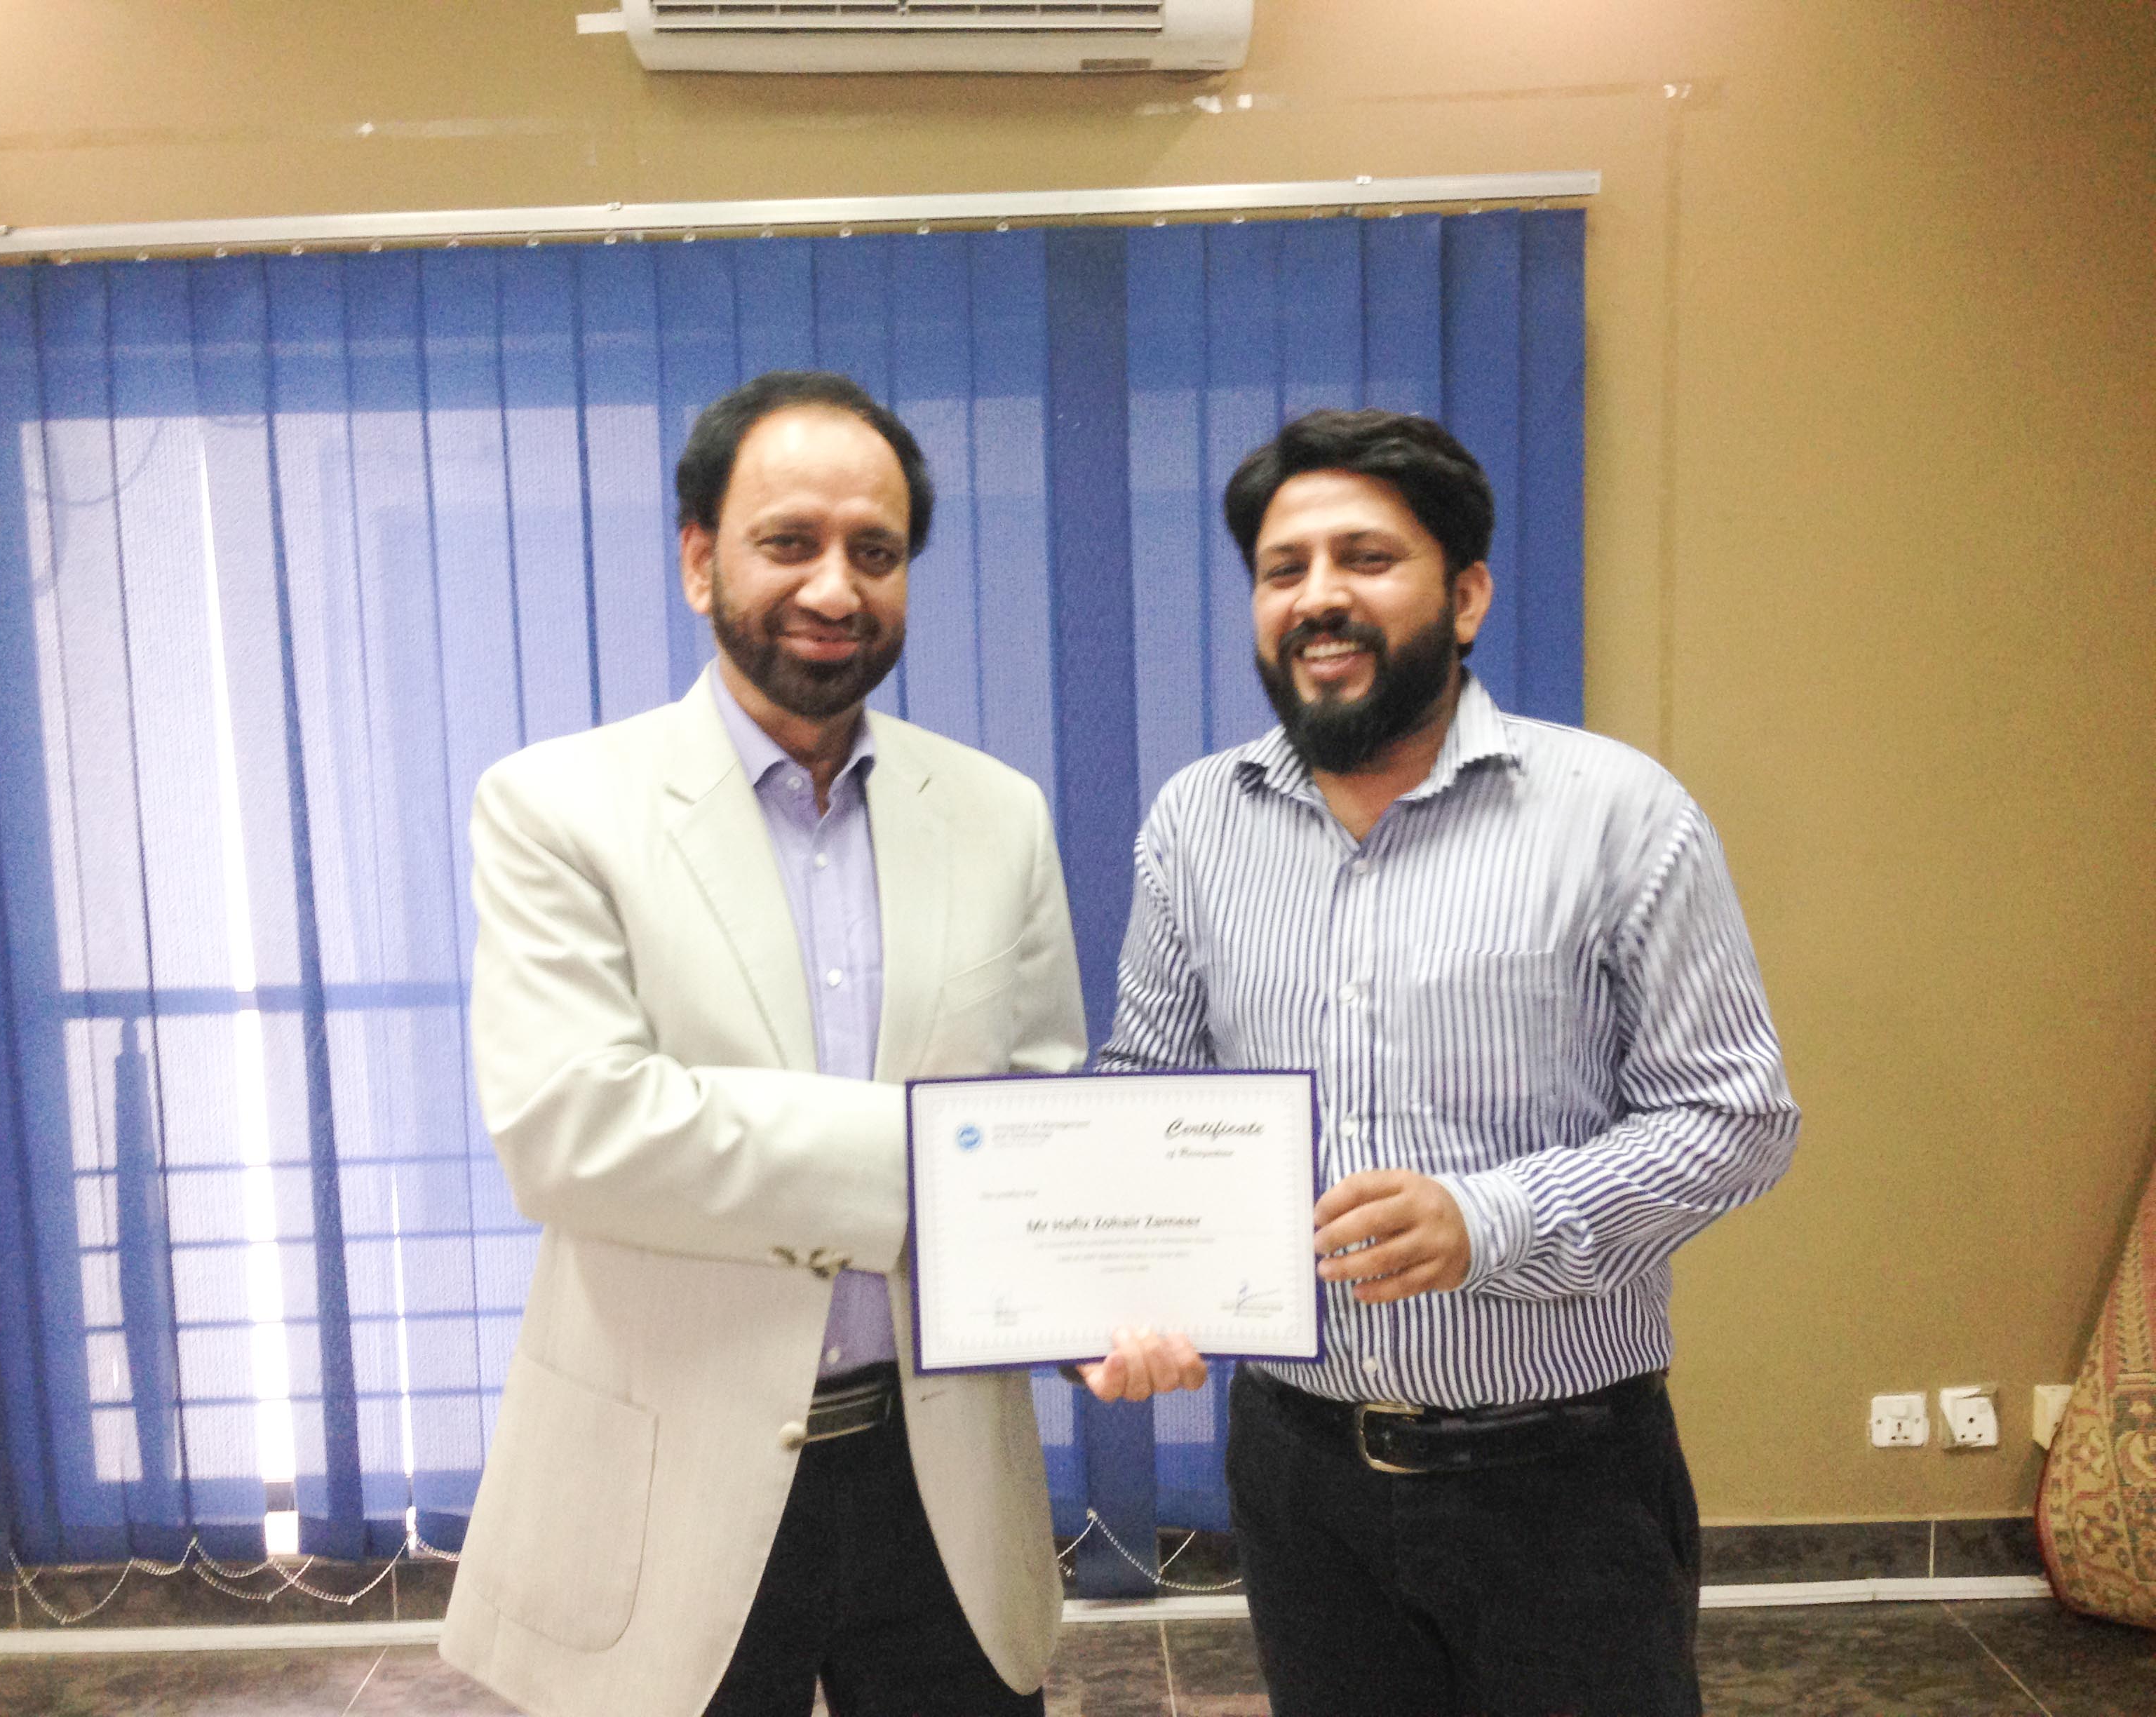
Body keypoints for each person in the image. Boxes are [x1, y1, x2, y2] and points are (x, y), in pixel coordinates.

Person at [1092, 409, 1800, 1716]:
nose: (1319, 596)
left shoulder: (1616, 812)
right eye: (1284, 568)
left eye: (1366, 558)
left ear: (1466, 597)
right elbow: (1148, 1089)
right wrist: (1125, 1287)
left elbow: (1735, 1114)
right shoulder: (1198, 823)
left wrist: (1492, 1219)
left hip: (1563, 1485)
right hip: (1300, 1481)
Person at [443, 371, 1129, 1717]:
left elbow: (1039, 1113)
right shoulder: (556, 806)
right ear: (700, 562)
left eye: (876, 551)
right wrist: (951, 1159)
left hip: (942, 1488)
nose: (835, 586)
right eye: (790, 542)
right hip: (667, 1488)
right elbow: (575, 1131)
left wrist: (1084, 1306)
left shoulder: (997, 814)